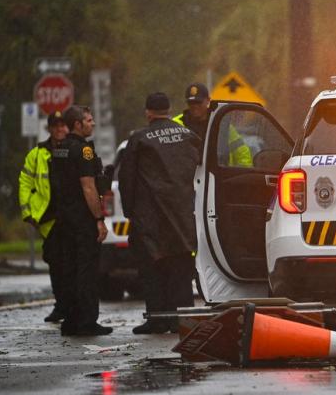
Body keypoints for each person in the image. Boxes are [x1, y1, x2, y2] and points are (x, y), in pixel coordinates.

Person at [119, 92, 201, 333]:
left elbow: (127, 178)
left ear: (148, 112)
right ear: (169, 109)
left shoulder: (139, 139)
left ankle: (157, 319)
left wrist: (129, 211)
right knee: (181, 267)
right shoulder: (188, 135)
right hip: (183, 214)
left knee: (152, 269)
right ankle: (182, 319)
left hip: (150, 217)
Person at [49, 105, 112, 336]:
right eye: (89, 120)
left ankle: (71, 320)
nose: (92, 123)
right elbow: (87, 187)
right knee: (86, 271)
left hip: (64, 220)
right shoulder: (84, 150)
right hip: (82, 220)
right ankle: (87, 321)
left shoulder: (60, 148)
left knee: (70, 270)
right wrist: (99, 219)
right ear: (78, 124)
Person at [19, 111, 70, 322]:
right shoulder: (37, 154)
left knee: (73, 265)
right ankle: (61, 306)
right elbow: (25, 183)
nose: (60, 129)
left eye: (63, 125)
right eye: (55, 126)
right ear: (49, 128)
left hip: (72, 217)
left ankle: (73, 306)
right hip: (49, 220)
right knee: (56, 265)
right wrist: (27, 213)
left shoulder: (74, 149)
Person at [173, 82, 252, 166]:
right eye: (191, 103)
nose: (194, 106)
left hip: (219, 176)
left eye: (198, 102)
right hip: (187, 176)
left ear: (208, 101)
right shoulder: (176, 124)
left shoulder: (221, 124)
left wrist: (239, 175)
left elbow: (242, 153)